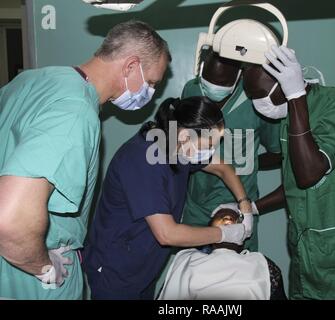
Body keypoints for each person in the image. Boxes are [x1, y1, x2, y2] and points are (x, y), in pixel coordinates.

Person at [0, 20, 170, 299]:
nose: (149, 95)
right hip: (31, 278)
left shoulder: (32, 79)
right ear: (130, 66)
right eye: (151, 83)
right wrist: (43, 266)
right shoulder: (75, 113)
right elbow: (10, 220)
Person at [83, 96, 256, 300]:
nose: (210, 151)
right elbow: (167, 234)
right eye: (208, 145)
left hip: (144, 269)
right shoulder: (143, 161)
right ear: (184, 134)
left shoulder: (177, 148)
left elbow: (222, 168)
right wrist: (224, 234)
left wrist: (244, 204)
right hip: (116, 271)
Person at [256, 44, 335, 299]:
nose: (257, 103)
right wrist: (253, 207)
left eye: (259, 94)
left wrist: (295, 96)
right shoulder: (288, 118)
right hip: (307, 260)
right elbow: (295, 185)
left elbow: (308, 174)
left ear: (284, 83)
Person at [181, 52, 282, 252]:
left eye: (222, 82)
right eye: (209, 81)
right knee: (192, 274)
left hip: (238, 208)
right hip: (197, 206)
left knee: (239, 276)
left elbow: (278, 152)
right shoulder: (191, 90)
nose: (213, 88)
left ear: (239, 75)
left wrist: (249, 162)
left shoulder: (256, 98)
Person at [158, 206, 287, 300]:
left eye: (235, 220)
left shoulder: (262, 264)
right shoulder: (187, 259)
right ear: (207, 232)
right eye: (220, 217)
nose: (227, 218)